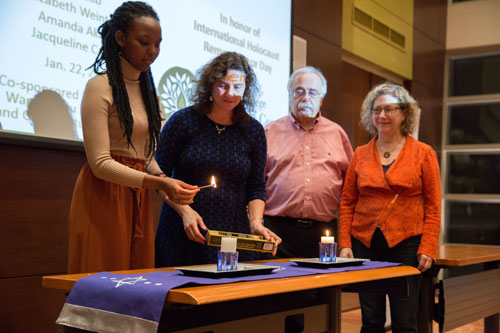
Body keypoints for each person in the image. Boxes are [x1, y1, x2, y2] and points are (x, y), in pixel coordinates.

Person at [67, 1, 198, 274]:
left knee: (136, 282)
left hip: (136, 197)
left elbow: (145, 158)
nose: (152, 52)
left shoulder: (150, 95)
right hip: (103, 196)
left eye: (158, 44)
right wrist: (156, 182)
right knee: (102, 281)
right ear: (120, 38)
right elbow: (100, 164)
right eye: (144, 42)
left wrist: (168, 185)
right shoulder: (99, 86)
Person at [155, 52, 281, 267]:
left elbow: (256, 186)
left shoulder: (253, 131)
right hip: (183, 229)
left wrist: (256, 223)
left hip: (233, 234)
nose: (230, 93)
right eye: (223, 85)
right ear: (210, 85)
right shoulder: (183, 121)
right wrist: (186, 212)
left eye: (237, 87)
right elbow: (159, 177)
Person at [339, 82, 441, 332]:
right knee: (370, 319)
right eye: (376, 110)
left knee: (405, 321)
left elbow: (434, 205)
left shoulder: (423, 153)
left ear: (404, 113)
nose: (382, 115)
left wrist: (428, 246)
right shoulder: (360, 154)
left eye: (389, 109)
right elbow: (347, 202)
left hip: (407, 243)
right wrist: (344, 243)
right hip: (365, 242)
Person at [263, 66, 353, 258]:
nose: (305, 98)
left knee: (324, 288)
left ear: (321, 99)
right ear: (289, 95)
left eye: (312, 92)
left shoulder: (337, 134)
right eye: (299, 91)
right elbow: (254, 185)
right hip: (276, 233)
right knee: (278, 287)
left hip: (324, 234)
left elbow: (350, 190)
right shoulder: (269, 132)